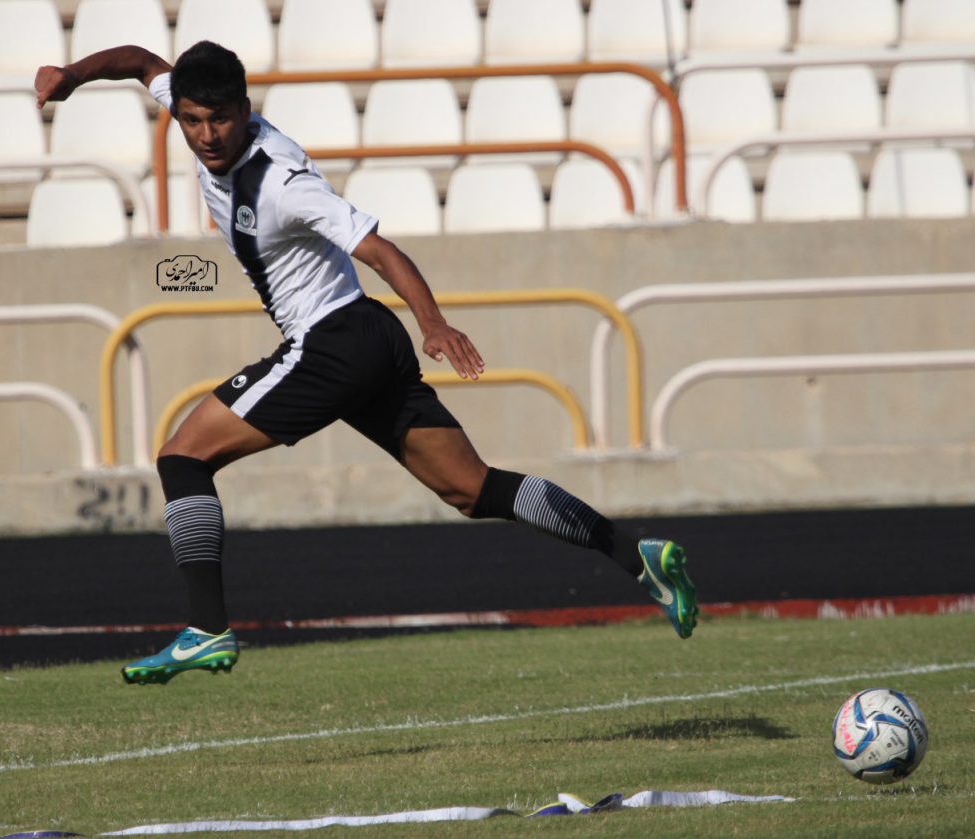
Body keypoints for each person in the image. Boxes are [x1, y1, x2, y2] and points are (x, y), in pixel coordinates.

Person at [34, 42, 698, 686]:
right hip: (367, 339)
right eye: (192, 120)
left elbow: (380, 250)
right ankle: (634, 554)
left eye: (221, 118)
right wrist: (71, 75)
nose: (206, 135)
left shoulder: (283, 182)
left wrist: (433, 322)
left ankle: (206, 626)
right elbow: (137, 60)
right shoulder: (188, 101)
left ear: (245, 107)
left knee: (182, 457)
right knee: (473, 489)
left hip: (332, 344)